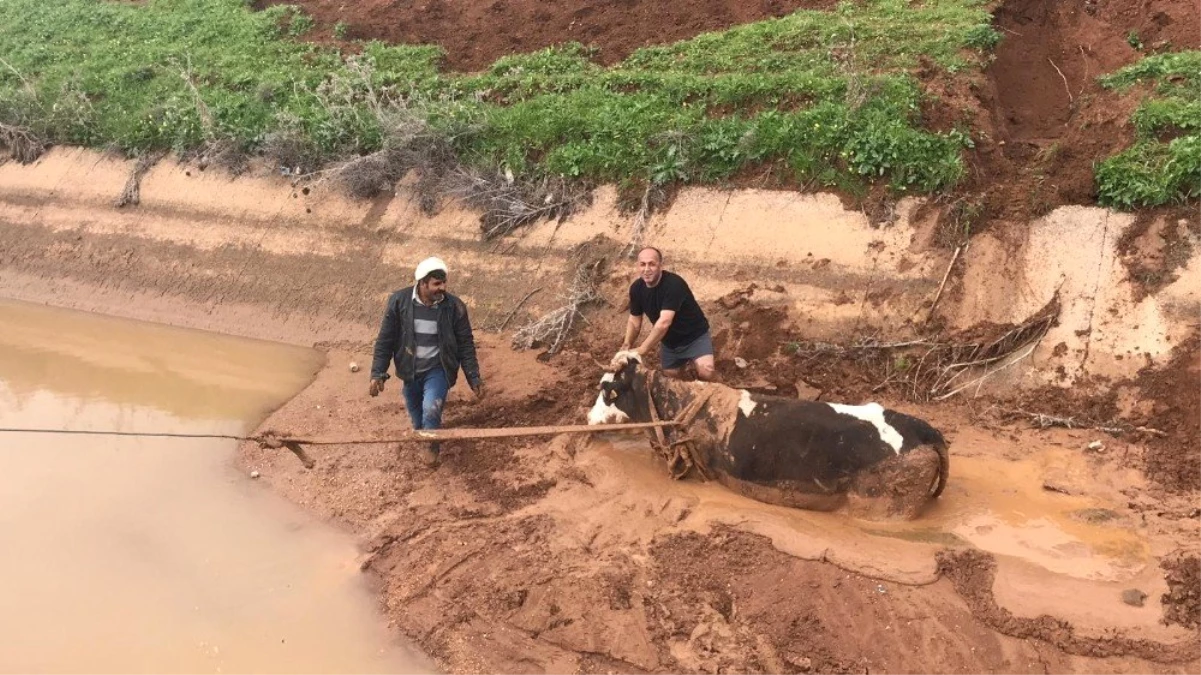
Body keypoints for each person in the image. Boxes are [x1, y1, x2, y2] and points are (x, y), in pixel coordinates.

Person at [369, 256, 484, 466]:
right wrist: (378, 374)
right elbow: (385, 340)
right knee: (417, 418)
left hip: (438, 368)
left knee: (431, 408)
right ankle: (426, 437)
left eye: (444, 283)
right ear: (422, 283)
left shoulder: (454, 307)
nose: (442, 288)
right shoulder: (399, 302)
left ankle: (432, 447)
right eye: (436, 284)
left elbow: (466, 344)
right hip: (409, 369)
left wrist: (474, 378)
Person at [620, 246, 718, 381]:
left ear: (660, 265)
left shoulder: (674, 284)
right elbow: (634, 321)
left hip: (695, 337)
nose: (647, 269)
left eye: (652, 264)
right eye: (642, 264)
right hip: (670, 343)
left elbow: (664, 323)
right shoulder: (636, 288)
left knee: (707, 371)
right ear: (638, 266)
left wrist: (643, 349)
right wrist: (626, 344)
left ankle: (722, 392)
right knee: (673, 377)